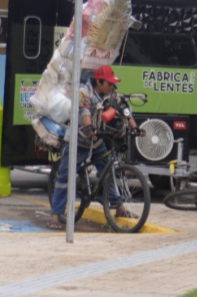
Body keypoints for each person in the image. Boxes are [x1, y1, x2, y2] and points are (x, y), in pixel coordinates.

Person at [47, 66, 139, 230]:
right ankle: (55, 215)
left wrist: (134, 127)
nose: (112, 87)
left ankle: (119, 208)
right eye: (109, 84)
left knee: (108, 173)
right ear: (99, 82)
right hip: (77, 141)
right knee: (65, 178)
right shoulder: (84, 92)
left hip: (96, 142)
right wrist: (89, 127)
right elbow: (84, 111)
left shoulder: (110, 94)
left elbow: (122, 107)